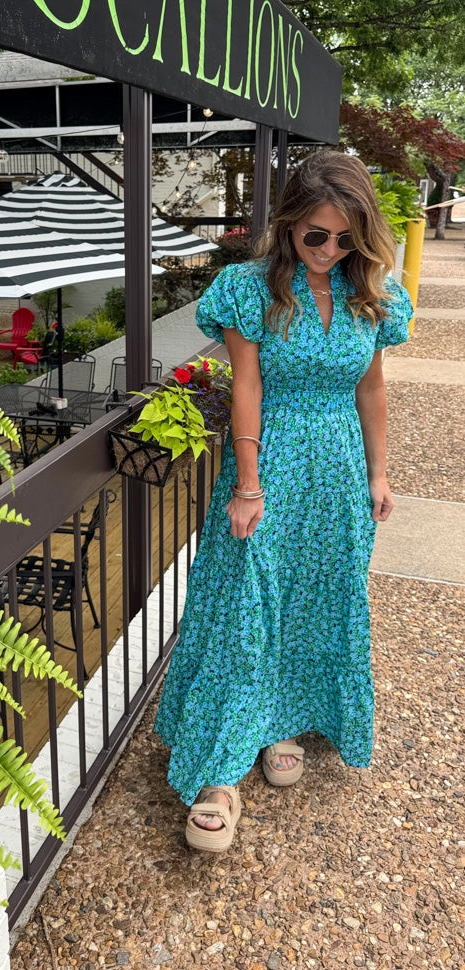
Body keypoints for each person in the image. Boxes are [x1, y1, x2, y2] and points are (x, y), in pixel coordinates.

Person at [154, 150, 414, 853]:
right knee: (247, 602)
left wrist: (378, 474)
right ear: (289, 224)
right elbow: (246, 386)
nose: (329, 250)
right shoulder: (249, 289)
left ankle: (282, 723)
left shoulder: (373, 295)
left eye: (346, 238)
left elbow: (370, 388)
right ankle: (218, 771)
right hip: (269, 462)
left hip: (338, 470)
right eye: (315, 235)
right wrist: (247, 484)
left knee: (318, 595)